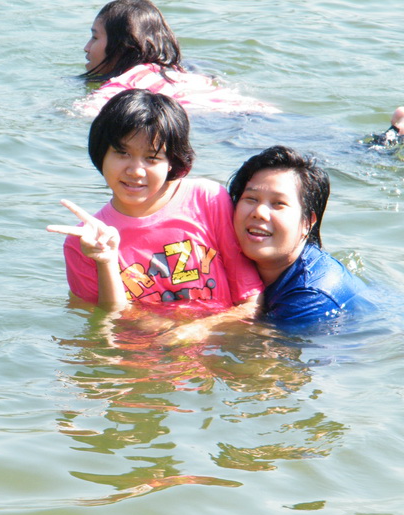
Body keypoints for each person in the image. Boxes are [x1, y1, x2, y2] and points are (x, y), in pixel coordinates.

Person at [48, 89, 263, 325]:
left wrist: (199, 329)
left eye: (152, 158)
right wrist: (106, 260)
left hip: (219, 340)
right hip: (142, 347)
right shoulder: (85, 241)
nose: (135, 171)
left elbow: (251, 300)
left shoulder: (207, 200)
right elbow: (104, 325)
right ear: (101, 154)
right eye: (122, 153)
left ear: (171, 162)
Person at [229, 145, 372, 327]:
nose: (259, 212)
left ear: (308, 222)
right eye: (251, 199)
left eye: (278, 203)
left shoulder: (312, 295)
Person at [75, 0, 278, 117]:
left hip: (212, 120)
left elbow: (89, 112)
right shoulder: (182, 72)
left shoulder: (126, 82)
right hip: (258, 111)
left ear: (122, 47)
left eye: (95, 37)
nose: (86, 47)